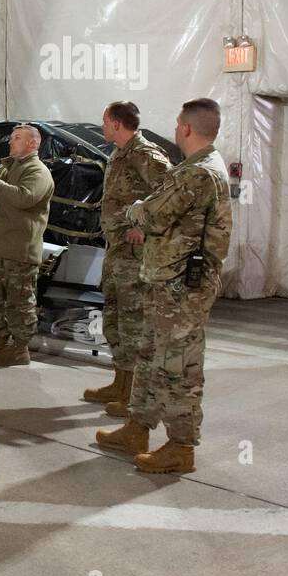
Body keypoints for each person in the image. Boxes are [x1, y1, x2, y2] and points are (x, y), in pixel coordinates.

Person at [96, 98, 232, 475]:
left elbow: (153, 212)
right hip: (166, 282)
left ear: (186, 129)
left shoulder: (198, 173)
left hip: (182, 289)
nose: (174, 129)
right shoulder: (197, 167)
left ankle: (181, 446)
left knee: (178, 368)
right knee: (150, 356)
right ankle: (137, 429)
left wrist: (135, 209)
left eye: (177, 124)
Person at [83, 101, 172, 413]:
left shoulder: (145, 154)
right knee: (115, 319)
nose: (103, 126)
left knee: (133, 323)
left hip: (136, 255)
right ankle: (120, 382)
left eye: (105, 120)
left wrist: (143, 227)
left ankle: (133, 394)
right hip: (117, 250)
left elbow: (169, 195)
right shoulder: (120, 154)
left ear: (117, 123)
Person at [0, 125, 55, 366]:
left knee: (19, 302)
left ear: (33, 144)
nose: (10, 142)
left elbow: (24, 197)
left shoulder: (38, 172)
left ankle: (20, 349)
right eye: (11, 138)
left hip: (19, 249)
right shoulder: (6, 168)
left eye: (17, 138)